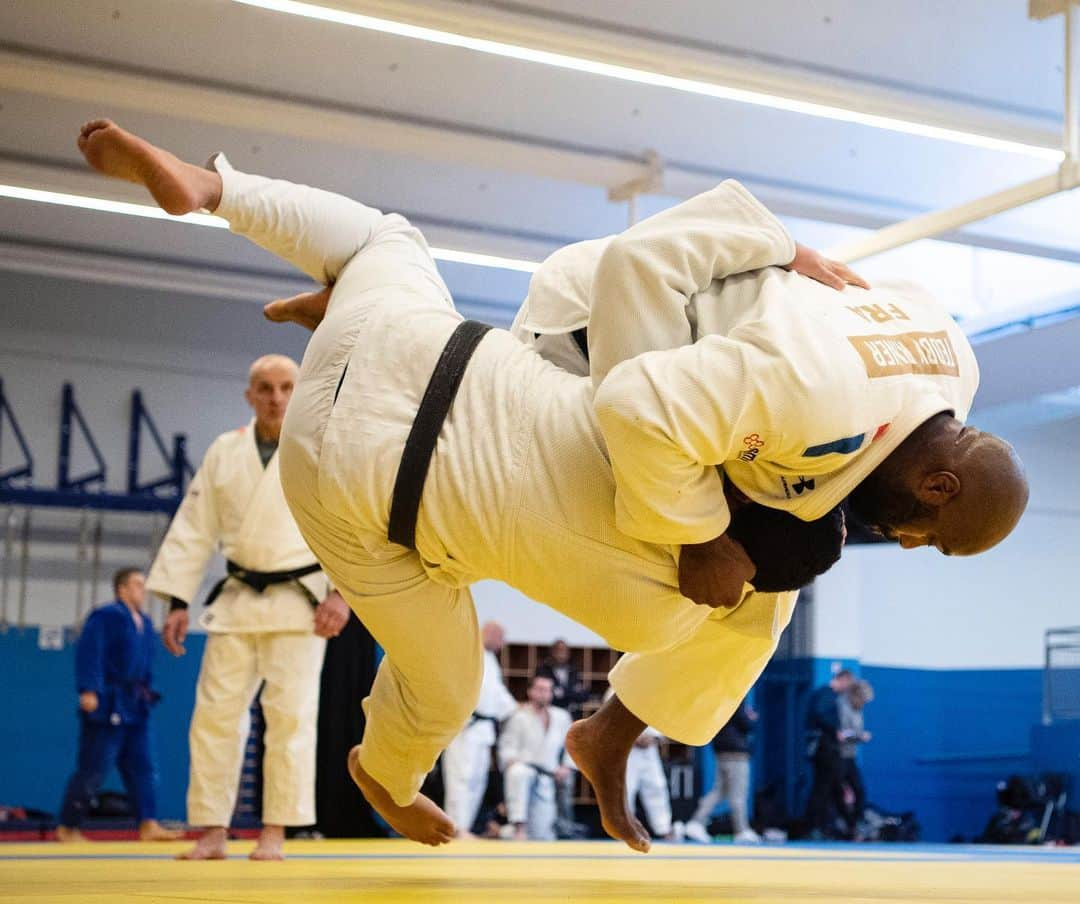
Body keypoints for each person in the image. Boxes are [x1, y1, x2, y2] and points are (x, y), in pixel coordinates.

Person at [76, 119, 1025, 853]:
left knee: (386, 242)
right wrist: (695, 536)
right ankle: (421, 764)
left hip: (423, 349)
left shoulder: (947, 364)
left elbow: (733, 368)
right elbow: (641, 393)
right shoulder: (684, 575)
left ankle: (221, 188)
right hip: (438, 439)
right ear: (939, 483)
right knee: (444, 683)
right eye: (925, 534)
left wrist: (772, 250)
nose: (904, 542)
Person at [144, 352, 351, 861]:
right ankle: (213, 831)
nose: (277, 398)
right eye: (266, 388)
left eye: (286, 387)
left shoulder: (321, 448)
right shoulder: (224, 451)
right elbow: (194, 527)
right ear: (249, 395)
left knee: (291, 720)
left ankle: (275, 832)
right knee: (214, 717)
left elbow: (351, 524)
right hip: (236, 603)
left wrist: (342, 594)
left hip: (300, 605)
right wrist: (176, 600)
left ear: (299, 392)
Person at [57, 569, 180, 843]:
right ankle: (68, 826)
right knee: (94, 767)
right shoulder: (106, 616)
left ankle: (148, 823)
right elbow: (90, 652)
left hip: (136, 705)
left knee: (144, 766)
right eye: (137, 585)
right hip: (107, 702)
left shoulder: (146, 623)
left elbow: (146, 663)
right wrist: (89, 689)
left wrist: (149, 691)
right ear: (122, 589)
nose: (143, 591)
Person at [441, 621, 517, 838]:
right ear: (489, 633)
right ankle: (455, 826)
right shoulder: (465, 653)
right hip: (465, 727)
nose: (502, 644)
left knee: (477, 781)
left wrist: (516, 708)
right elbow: (453, 688)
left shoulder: (490, 660)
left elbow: (498, 696)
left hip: (483, 730)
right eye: (500, 638)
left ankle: (464, 826)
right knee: (460, 778)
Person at [497, 675, 573, 840]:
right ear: (530, 692)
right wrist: (512, 761)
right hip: (524, 772)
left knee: (542, 834)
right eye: (539, 689)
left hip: (547, 777)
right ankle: (518, 828)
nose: (543, 694)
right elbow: (506, 748)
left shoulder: (561, 717)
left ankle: (499, 832)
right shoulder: (518, 716)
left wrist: (566, 766)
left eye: (547, 690)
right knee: (518, 772)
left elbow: (572, 746)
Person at [685, 697, 759, 844]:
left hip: (721, 750)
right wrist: (752, 718)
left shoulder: (717, 698)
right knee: (738, 793)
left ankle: (696, 822)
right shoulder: (736, 697)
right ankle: (741, 830)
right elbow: (746, 723)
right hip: (736, 752)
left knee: (719, 791)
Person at [804, 670, 854, 839]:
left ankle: (826, 826)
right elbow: (820, 714)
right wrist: (835, 731)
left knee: (829, 788)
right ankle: (814, 826)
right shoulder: (827, 695)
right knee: (823, 788)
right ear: (842, 680)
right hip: (826, 749)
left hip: (826, 748)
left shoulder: (827, 695)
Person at [838, 679, 873, 839]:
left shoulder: (858, 710)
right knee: (836, 793)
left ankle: (855, 824)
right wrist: (858, 736)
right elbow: (840, 733)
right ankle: (843, 826)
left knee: (859, 790)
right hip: (838, 756)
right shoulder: (842, 707)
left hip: (850, 755)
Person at [535, 640, 590, 718]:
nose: (562, 654)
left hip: (572, 715)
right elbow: (547, 697)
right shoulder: (543, 670)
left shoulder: (573, 670)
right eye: (558, 650)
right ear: (551, 652)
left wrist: (562, 692)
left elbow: (584, 696)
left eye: (564, 651)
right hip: (551, 714)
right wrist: (572, 692)